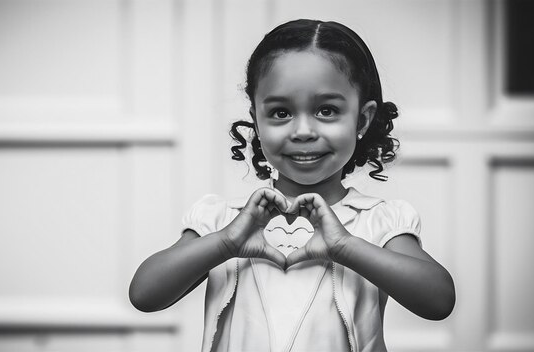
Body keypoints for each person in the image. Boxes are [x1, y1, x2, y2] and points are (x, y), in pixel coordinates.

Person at [129, 19, 455, 352]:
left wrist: (345, 246)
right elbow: (144, 294)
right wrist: (226, 243)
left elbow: (439, 299)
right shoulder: (224, 220)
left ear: (362, 119)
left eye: (326, 110)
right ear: (256, 118)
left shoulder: (379, 221)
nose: (302, 131)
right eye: (281, 112)